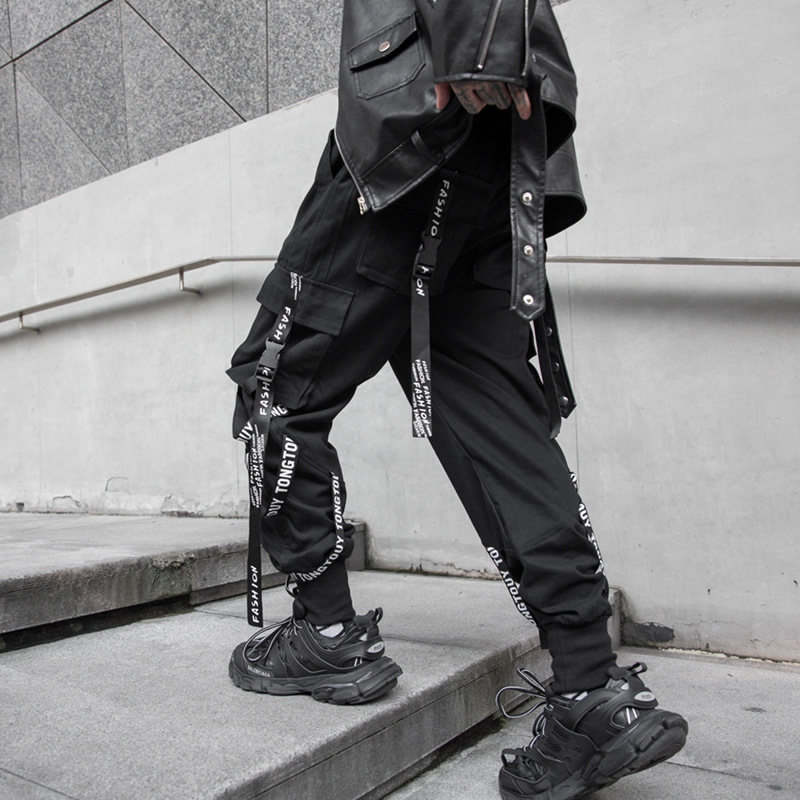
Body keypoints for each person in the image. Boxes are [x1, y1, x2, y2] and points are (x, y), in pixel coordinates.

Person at [225, 1, 688, 797]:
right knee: (496, 420)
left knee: (276, 389)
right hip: (495, 155)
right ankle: (590, 683)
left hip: (421, 125)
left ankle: (326, 631)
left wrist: (478, 46)